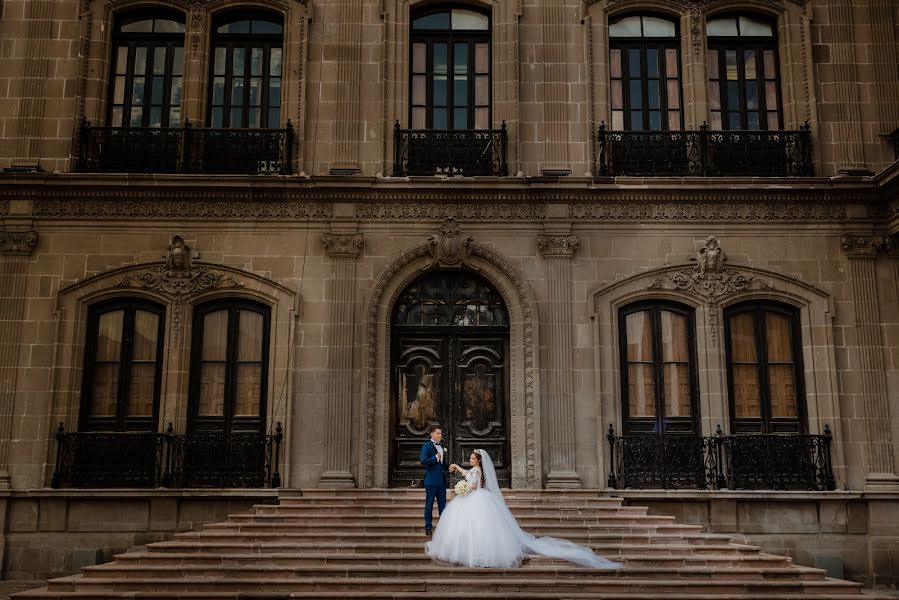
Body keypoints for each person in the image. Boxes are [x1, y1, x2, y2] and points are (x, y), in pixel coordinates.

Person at [424, 448, 622, 569]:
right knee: (481, 530)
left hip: (475, 497)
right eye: (471, 458)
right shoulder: (476, 469)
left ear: (478, 461)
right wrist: (459, 469)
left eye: (473, 458)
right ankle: (478, 555)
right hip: (479, 499)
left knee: (475, 529)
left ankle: (473, 556)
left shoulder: (476, 471)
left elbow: (474, 484)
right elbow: (470, 473)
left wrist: (464, 487)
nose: (471, 460)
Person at [420, 424, 449, 536]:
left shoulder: (442, 446)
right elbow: (423, 461)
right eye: (437, 433)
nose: (440, 435)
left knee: (442, 505)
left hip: (441, 481)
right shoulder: (427, 446)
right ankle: (428, 527)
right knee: (429, 504)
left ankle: (443, 527)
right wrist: (435, 458)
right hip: (431, 481)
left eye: (440, 433)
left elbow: (441, 464)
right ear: (431, 433)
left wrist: (448, 468)